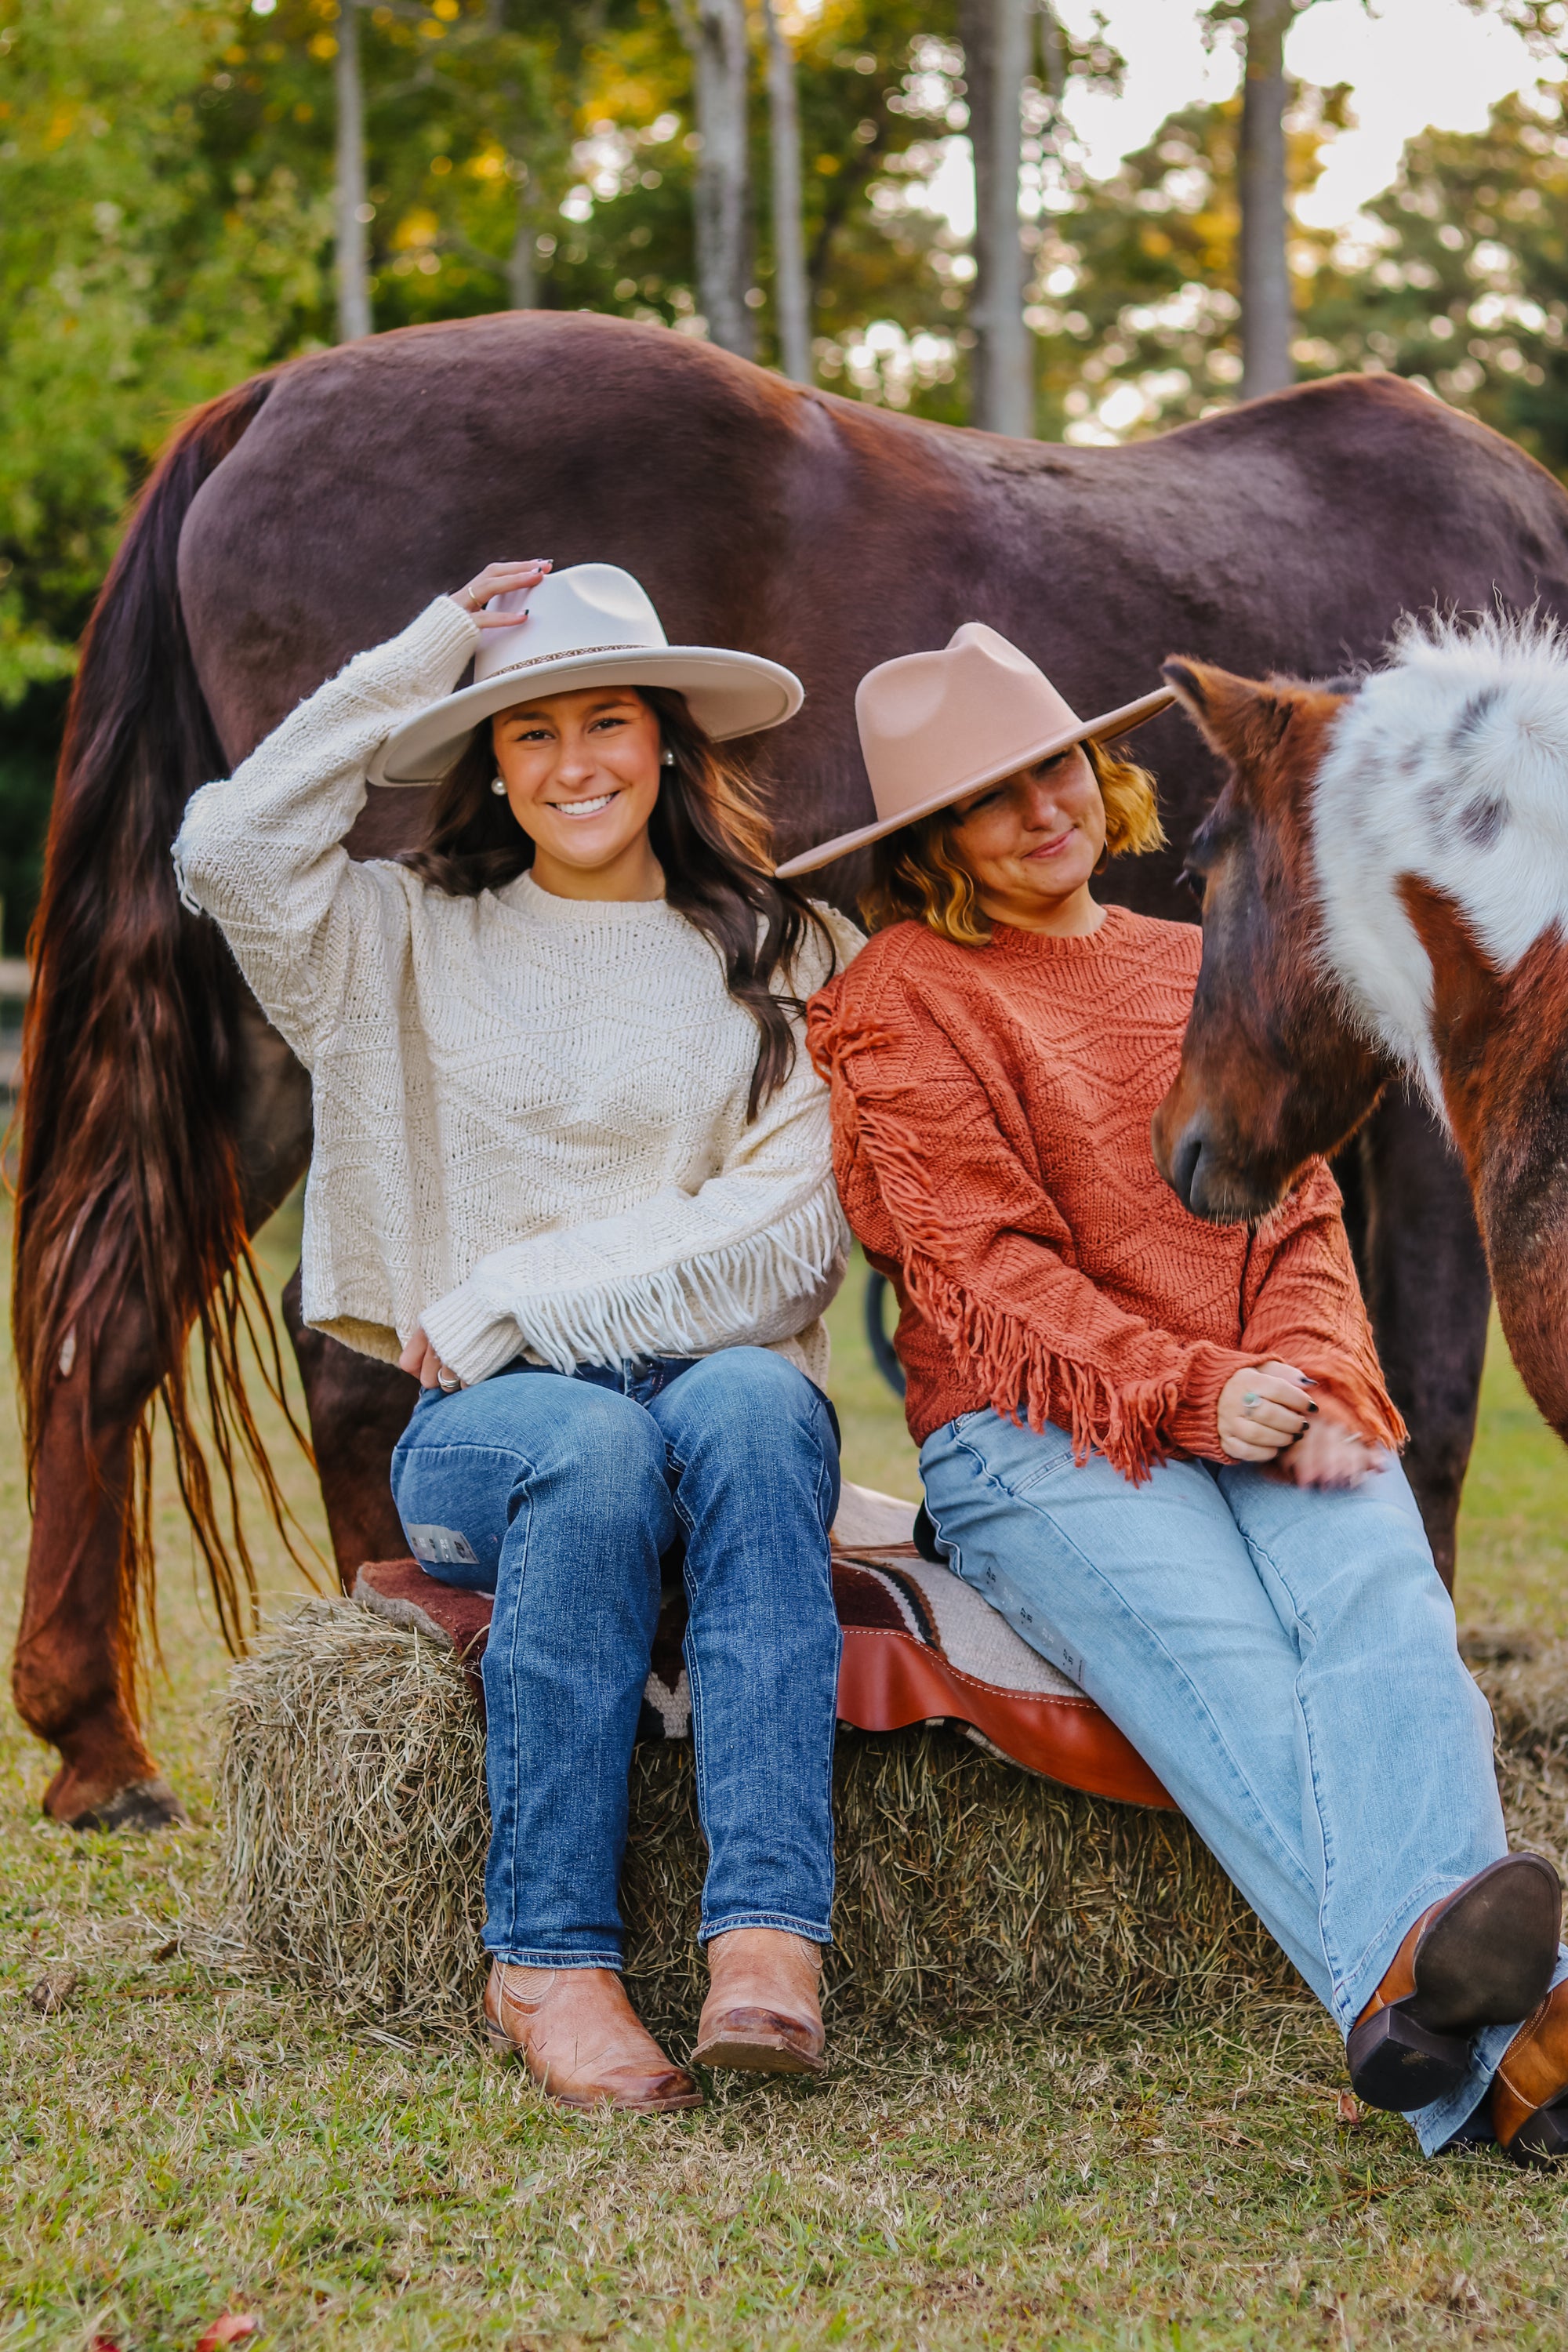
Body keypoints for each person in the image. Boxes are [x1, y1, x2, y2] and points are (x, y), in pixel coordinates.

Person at [779, 619, 1568, 2166]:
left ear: (1102, 774)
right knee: (1245, 1680)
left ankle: (1433, 2030)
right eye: (986, 797)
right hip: (1037, 1435)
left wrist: (1307, 1372)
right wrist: (1192, 1389)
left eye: (1055, 766)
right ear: (930, 842)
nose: (1041, 810)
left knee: (1393, 1633)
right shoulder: (900, 995)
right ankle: (1504, 2070)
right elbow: (977, 1269)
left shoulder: (1194, 962)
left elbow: (1295, 1211)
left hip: (1273, 1393)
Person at [175, 558, 861, 2113]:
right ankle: (547, 1953)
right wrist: (423, 650)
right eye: (529, 731)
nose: (573, 764)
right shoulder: (390, 936)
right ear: (488, 757)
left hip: (713, 1382)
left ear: (668, 741)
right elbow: (227, 840)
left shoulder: (790, 950)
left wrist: (519, 1297)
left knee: (753, 1412)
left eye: (606, 721)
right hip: (493, 1426)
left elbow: (789, 1226)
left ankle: (767, 1935)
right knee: (591, 1438)